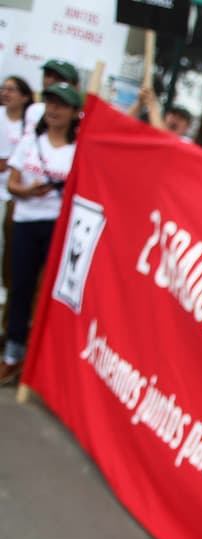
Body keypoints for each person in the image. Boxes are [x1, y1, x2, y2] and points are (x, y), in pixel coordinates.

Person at [0, 83, 81, 385]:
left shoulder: (77, 150)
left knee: (48, 293)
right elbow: (12, 183)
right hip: (24, 222)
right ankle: (12, 355)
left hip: (57, 228)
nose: (54, 110)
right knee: (19, 288)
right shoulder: (30, 143)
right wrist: (27, 191)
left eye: (61, 105)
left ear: (74, 112)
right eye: (50, 103)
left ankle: (40, 359)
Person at [0, 75, 34, 307]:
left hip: (16, 198)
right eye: (4, 89)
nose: (5, 93)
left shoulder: (31, 124)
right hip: (6, 192)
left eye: (11, 90)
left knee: (8, 249)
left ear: (24, 96)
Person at [23, 59, 79, 138]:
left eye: (59, 78)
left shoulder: (81, 120)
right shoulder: (33, 109)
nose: (51, 81)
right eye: (48, 75)